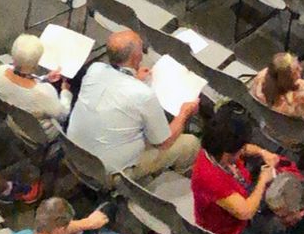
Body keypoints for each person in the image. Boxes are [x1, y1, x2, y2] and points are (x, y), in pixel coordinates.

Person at [67, 30, 203, 178]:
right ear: (136, 56)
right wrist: (184, 113)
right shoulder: (143, 95)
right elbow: (164, 142)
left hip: (75, 153)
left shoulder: (95, 69)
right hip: (109, 172)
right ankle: (182, 177)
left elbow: (112, 89)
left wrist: (134, 79)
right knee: (189, 144)